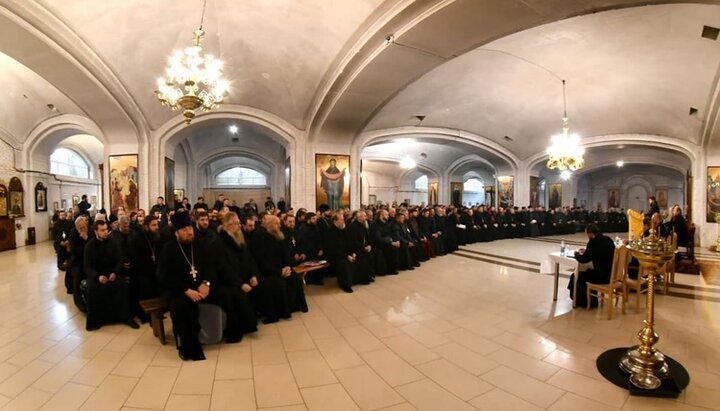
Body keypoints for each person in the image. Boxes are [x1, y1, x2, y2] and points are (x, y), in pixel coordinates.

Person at [157, 211, 218, 361]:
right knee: (181, 307)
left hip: (200, 287)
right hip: (177, 289)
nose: (189, 232)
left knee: (225, 294)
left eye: (190, 228)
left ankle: (220, 334)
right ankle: (186, 345)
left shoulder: (199, 244)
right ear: (177, 233)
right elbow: (165, 276)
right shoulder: (168, 249)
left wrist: (206, 283)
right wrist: (186, 290)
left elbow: (211, 266)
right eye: (184, 230)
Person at [250, 214, 308, 323]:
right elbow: (260, 261)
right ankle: (280, 312)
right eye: (277, 223)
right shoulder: (259, 236)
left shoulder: (278, 234)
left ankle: (294, 306)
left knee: (295, 278)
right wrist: (279, 271)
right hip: (266, 272)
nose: (279, 225)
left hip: (281, 268)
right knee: (278, 284)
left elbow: (285, 253)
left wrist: (287, 267)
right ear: (268, 224)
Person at [83, 220, 139, 330]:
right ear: (96, 231)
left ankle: (125, 317)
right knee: (93, 289)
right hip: (97, 275)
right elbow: (87, 266)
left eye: (106, 230)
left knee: (122, 286)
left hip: (112, 273)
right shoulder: (89, 246)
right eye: (102, 230)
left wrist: (115, 272)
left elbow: (119, 260)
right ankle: (97, 321)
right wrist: (97, 277)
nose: (105, 232)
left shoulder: (113, 242)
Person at [214, 212, 259, 337]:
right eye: (235, 223)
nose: (238, 226)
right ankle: (237, 330)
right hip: (227, 281)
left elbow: (249, 259)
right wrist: (240, 283)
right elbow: (224, 268)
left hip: (242, 277)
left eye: (239, 223)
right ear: (227, 226)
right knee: (236, 295)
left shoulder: (239, 237)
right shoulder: (220, 241)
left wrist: (253, 275)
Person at [567, 223, 616, 307]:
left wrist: (577, 254)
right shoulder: (608, 239)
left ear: (590, 234)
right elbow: (598, 253)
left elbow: (583, 260)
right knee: (585, 272)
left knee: (577, 276)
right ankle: (590, 300)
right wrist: (587, 250)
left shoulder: (593, 243)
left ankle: (583, 302)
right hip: (611, 274)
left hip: (601, 276)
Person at [129, 214, 161, 321]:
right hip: (142, 273)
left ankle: (160, 311)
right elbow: (136, 261)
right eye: (153, 225)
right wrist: (151, 271)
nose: (156, 227)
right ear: (146, 227)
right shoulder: (137, 239)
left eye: (157, 224)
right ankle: (145, 315)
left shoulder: (158, 238)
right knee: (145, 284)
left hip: (155, 270)